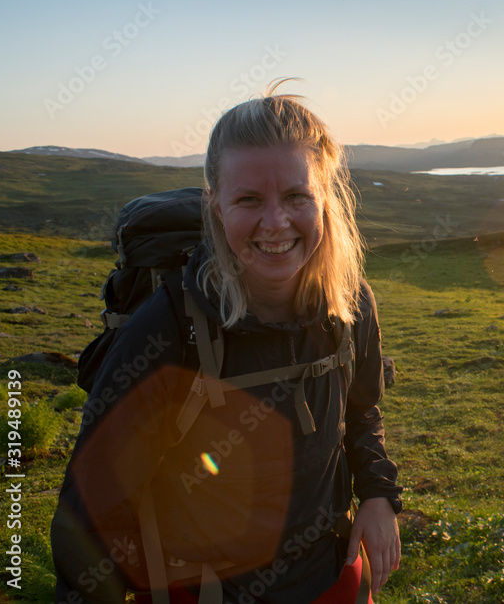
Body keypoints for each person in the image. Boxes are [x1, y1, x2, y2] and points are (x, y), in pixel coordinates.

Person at [51, 82, 402, 603]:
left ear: (325, 200)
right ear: (215, 206)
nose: (275, 222)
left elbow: (361, 412)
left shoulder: (350, 306)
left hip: (330, 580)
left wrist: (376, 493)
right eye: (249, 200)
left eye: (297, 196)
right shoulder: (169, 328)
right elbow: (93, 515)